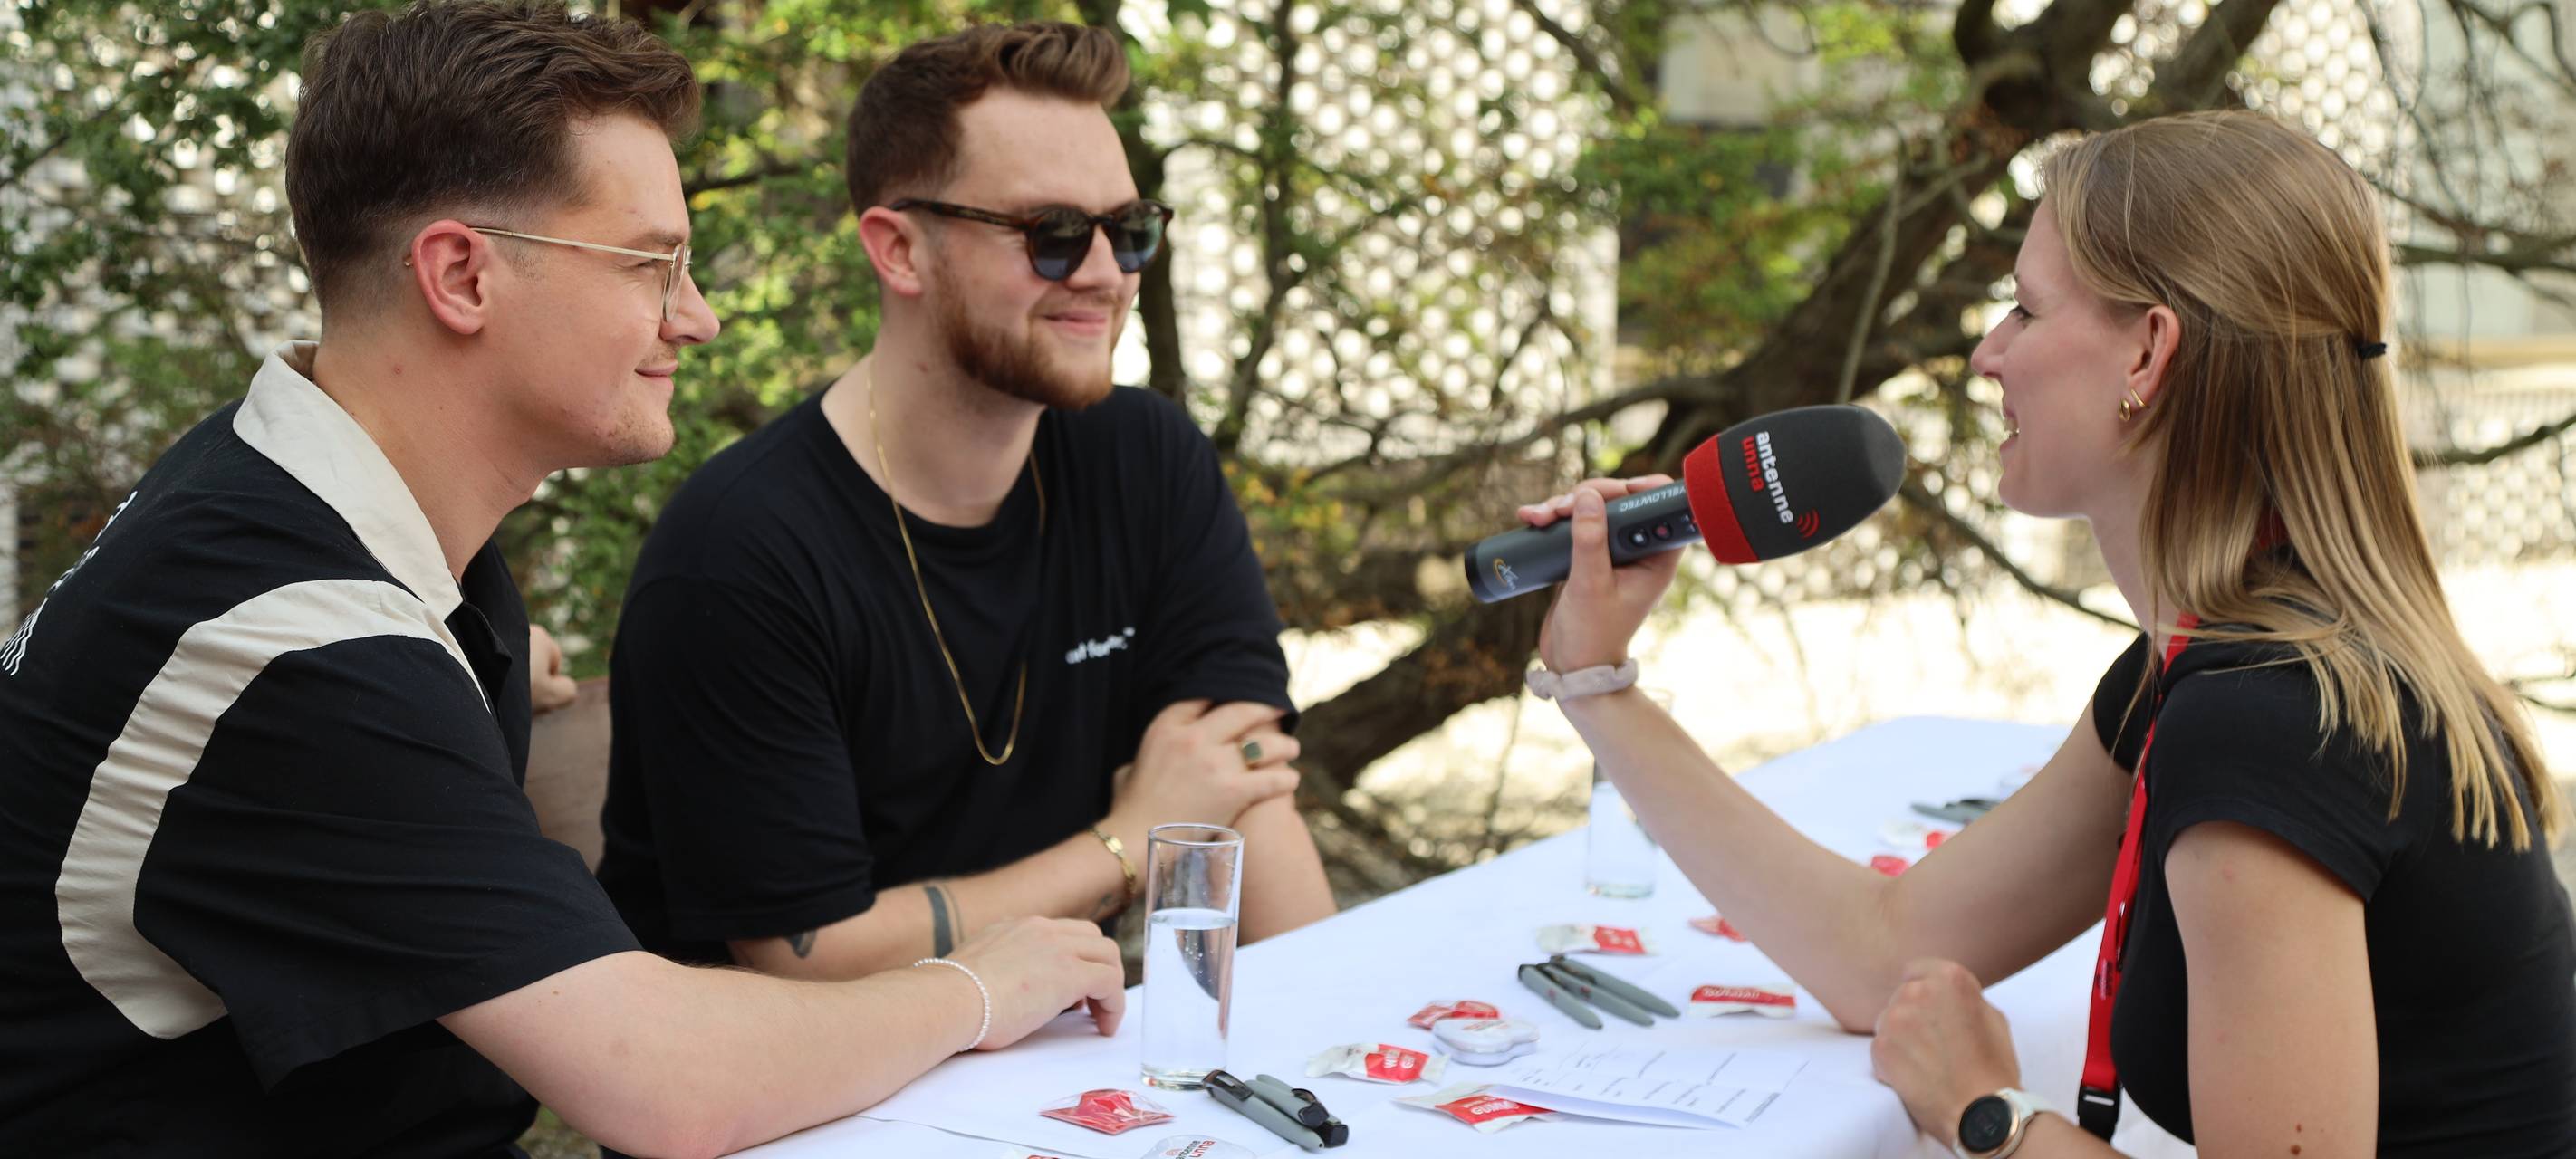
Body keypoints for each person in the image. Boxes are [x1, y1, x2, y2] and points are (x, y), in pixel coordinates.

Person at [0, 4, 1122, 1155]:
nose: (699, 317)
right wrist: (979, 986)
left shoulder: (279, 498)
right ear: (462, 276)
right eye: (653, 264)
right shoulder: (296, 645)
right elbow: (665, 1082)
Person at [1521, 110, 2575, 1158]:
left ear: (2148, 354)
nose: (1987, 355)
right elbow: (1880, 953)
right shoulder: (2212, 664)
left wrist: (1989, 1113)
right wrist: (1595, 678)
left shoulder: (2269, 719)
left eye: (2025, 310)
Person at [594, 20, 1335, 982]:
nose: (1109, 276)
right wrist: (1124, 842)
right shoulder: (740, 555)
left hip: (1059, 1059)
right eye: (1055, 235)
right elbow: (808, 956)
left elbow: (1239, 786)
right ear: (899, 251)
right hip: (808, 1105)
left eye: (1130, 230)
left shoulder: (1145, 457)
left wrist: (1333, 1048)